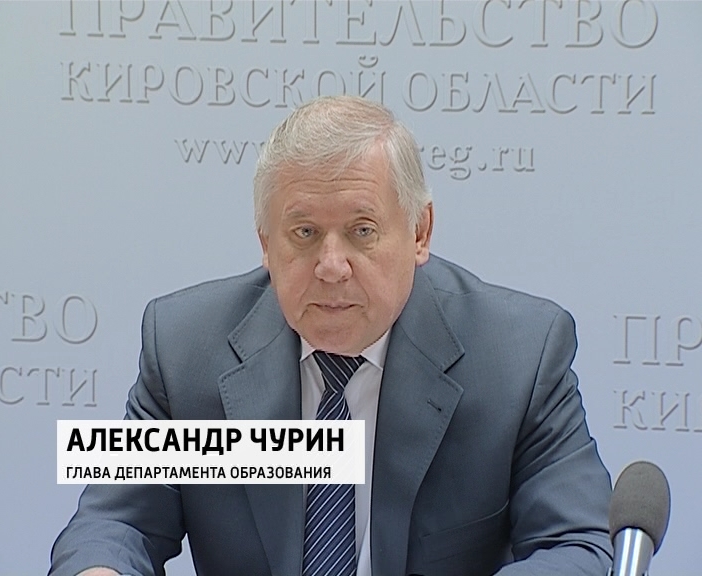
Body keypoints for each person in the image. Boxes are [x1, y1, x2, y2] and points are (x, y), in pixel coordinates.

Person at [50, 95, 613, 576]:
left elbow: (574, 545)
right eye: (304, 233)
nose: (331, 266)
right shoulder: (186, 348)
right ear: (265, 242)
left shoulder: (519, 356)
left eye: (362, 231)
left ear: (420, 232)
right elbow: (115, 521)